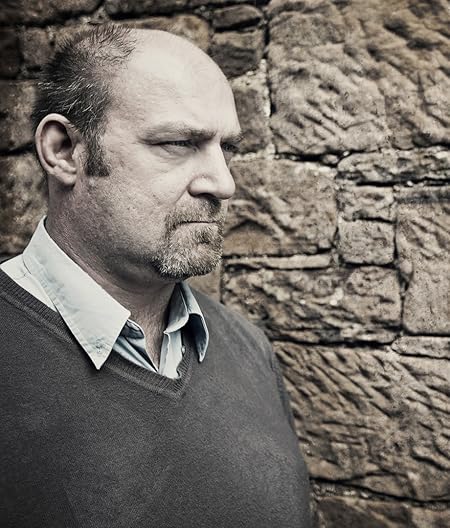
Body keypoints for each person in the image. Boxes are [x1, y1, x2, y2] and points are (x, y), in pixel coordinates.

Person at [0, 25, 311, 527]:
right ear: (64, 150)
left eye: (226, 148)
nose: (223, 183)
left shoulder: (249, 350)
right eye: (177, 143)